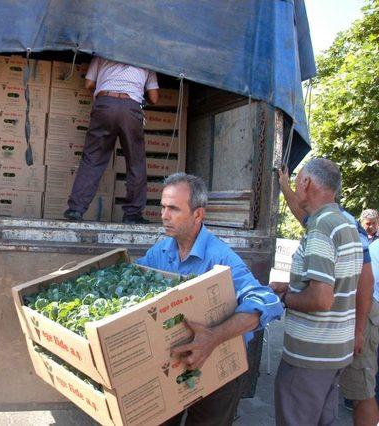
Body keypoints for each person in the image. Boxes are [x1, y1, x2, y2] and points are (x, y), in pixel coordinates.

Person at [135, 172, 283, 426]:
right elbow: (133, 282)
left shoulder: (220, 258)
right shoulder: (160, 251)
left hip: (217, 374)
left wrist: (214, 336)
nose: (164, 215)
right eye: (162, 207)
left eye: (173, 209)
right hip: (173, 364)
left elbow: (267, 301)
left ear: (198, 214)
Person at [279, 166, 378, 425]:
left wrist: (284, 298)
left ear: (308, 182)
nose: (297, 186)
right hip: (334, 353)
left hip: (309, 356)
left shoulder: (321, 228)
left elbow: (321, 299)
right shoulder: (346, 222)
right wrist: (291, 288)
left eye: (298, 181)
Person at [63, 55, 159, 224]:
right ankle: (132, 215)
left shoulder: (103, 52)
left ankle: (76, 209)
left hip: (104, 104)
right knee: (135, 162)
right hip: (131, 108)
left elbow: (89, 83)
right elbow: (154, 97)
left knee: (92, 158)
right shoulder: (147, 58)